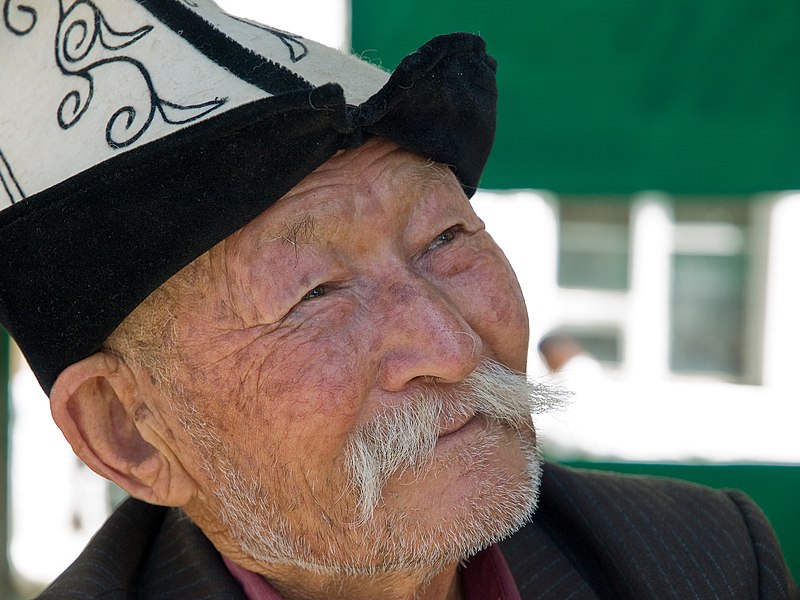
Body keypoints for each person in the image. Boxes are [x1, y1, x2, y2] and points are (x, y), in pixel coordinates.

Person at [1, 1, 796, 598]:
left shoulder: (707, 561)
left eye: (446, 239)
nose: (451, 347)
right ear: (127, 431)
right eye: (315, 293)